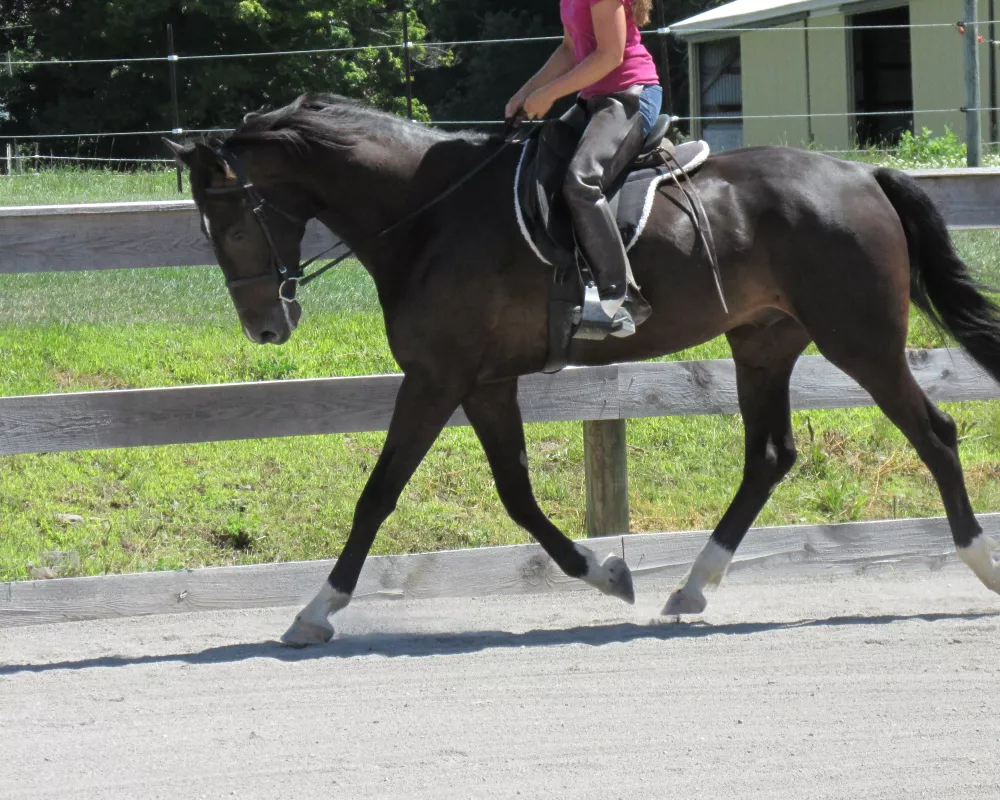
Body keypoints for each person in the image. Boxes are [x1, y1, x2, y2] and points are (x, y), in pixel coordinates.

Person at [506, 0, 662, 336]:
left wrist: (547, 95)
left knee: (582, 181)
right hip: (592, 101)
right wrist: (526, 92)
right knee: (536, 160)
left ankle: (620, 299)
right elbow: (567, 49)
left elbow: (610, 55)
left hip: (630, 96)